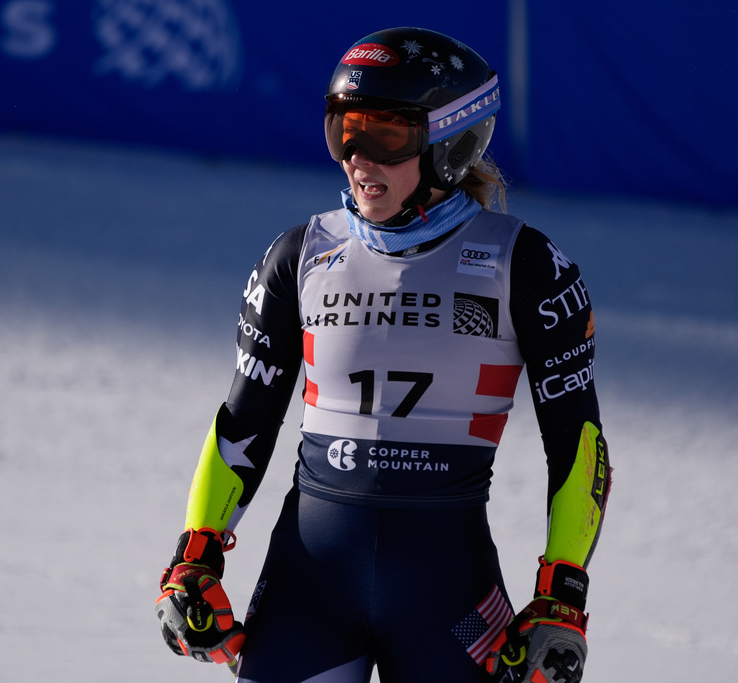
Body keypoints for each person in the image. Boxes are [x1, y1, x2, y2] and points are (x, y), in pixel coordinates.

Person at [154, 26, 610, 683]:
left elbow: (579, 441)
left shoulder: (526, 265)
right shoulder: (301, 255)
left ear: (451, 145)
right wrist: (193, 555)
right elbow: (244, 418)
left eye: (386, 137)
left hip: (446, 599)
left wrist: (562, 594)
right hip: (307, 588)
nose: (358, 158)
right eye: (344, 130)